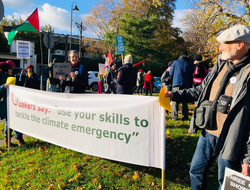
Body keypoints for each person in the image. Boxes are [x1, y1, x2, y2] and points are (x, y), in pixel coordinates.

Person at [165, 25, 250, 189]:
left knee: (225, 183)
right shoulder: (220, 64)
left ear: (240, 44)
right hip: (207, 132)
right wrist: (175, 95)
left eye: (224, 43)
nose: (220, 48)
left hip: (231, 139)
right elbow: (200, 90)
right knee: (195, 171)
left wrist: (247, 160)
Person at [0, 63, 21, 147]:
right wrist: (2, 87)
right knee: (9, 122)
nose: (12, 70)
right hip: (4, 104)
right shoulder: (1, 77)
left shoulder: (10, 77)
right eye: (10, 69)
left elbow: (18, 85)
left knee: (11, 122)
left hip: (11, 103)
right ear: (5, 70)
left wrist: (22, 77)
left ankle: (10, 142)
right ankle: (9, 142)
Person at [169, 50, 194, 120]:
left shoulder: (175, 63)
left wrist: (173, 80)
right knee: (185, 101)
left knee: (175, 100)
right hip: (186, 84)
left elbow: (171, 74)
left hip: (176, 83)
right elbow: (192, 75)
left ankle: (174, 116)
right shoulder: (190, 64)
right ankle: (185, 116)